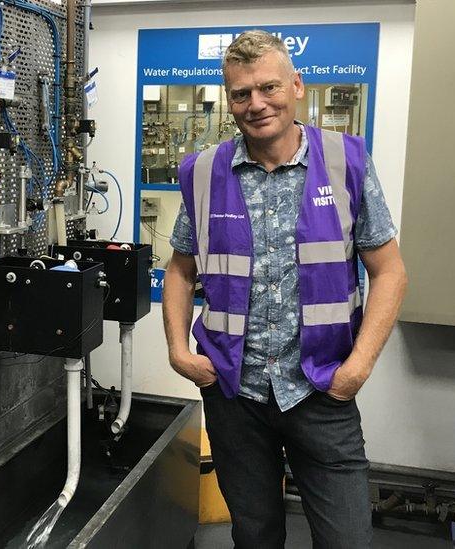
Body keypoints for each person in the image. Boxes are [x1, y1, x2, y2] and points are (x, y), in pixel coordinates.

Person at [162, 30, 407, 548]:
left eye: (268, 87)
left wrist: (358, 367)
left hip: (321, 389)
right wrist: (179, 352)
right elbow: (181, 269)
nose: (256, 104)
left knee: (347, 539)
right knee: (255, 535)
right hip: (235, 393)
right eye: (241, 94)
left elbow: (389, 272)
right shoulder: (203, 172)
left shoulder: (345, 161)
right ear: (229, 100)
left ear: (295, 86)